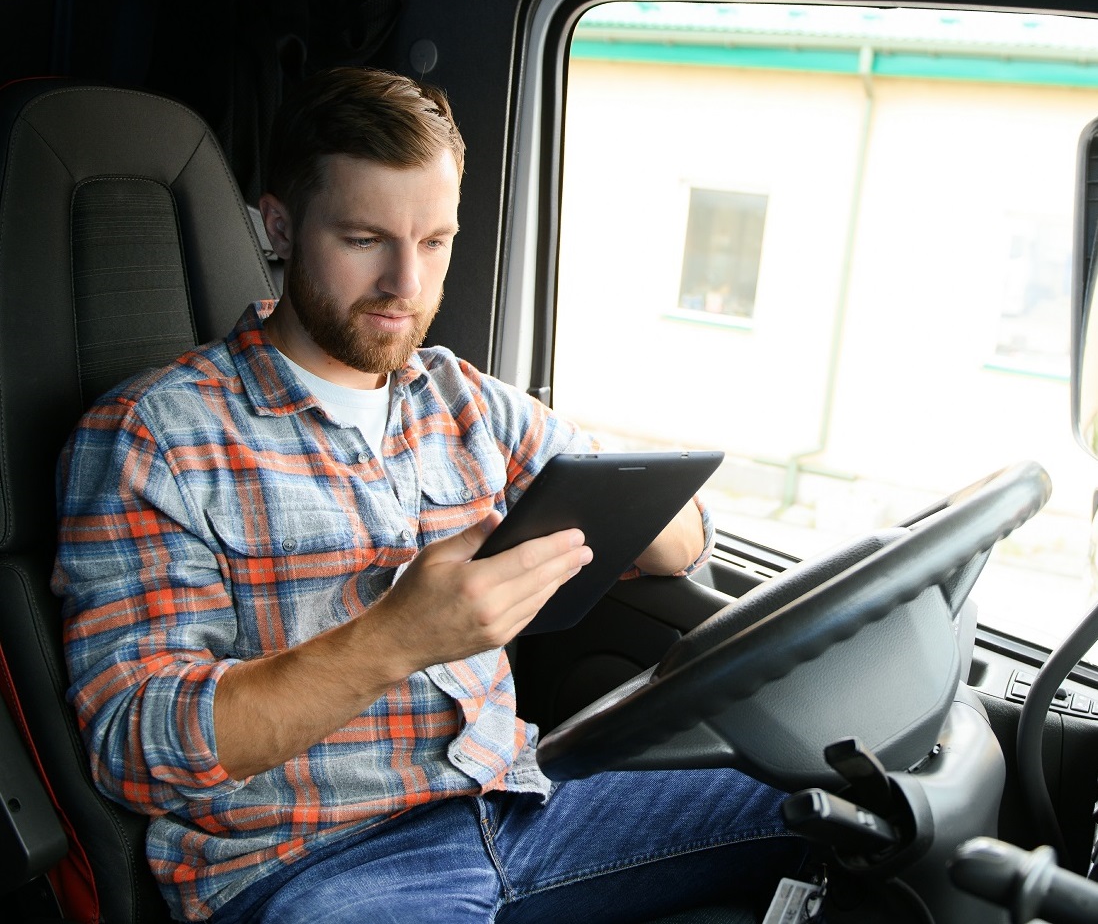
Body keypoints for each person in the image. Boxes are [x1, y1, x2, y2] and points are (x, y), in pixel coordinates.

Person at [53, 68, 804, 924]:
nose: (405, 284)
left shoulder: (461, 397)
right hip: (315, 866)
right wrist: (396, 637)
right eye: (366, 239)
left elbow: (681, 541)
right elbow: (135, 746)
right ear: (280, 227)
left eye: (435, 241)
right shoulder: (155, 436)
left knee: (838, 797)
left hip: (522, 804)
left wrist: (650, 515)